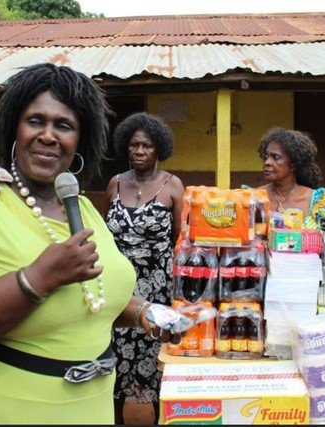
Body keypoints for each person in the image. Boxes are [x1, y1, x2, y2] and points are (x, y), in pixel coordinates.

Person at [0, 63, 184, 424]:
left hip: (89, 408)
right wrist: (38, 278)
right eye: (35, 121)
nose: (48, 135)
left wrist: (144, 311)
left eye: (63, 126)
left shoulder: (82, 208)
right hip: (1, 409)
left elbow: (93, 297)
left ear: (79, 141)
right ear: (14, 130)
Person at [104, 112, 184, 424]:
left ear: (158, 149)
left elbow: (179, 237)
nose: (139, 151)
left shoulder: (172, 185)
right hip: (118, 291)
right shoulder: (115, 184)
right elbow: (106, 236)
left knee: (153, 362)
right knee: (113, 361)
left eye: (147, 146)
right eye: (134, 145)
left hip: (157, 290)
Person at [257, 127, 325, 228]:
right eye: (266, 157)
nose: (267, 162)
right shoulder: (253, 197)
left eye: (276, 157)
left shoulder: (317, 201)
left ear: (293, 164)